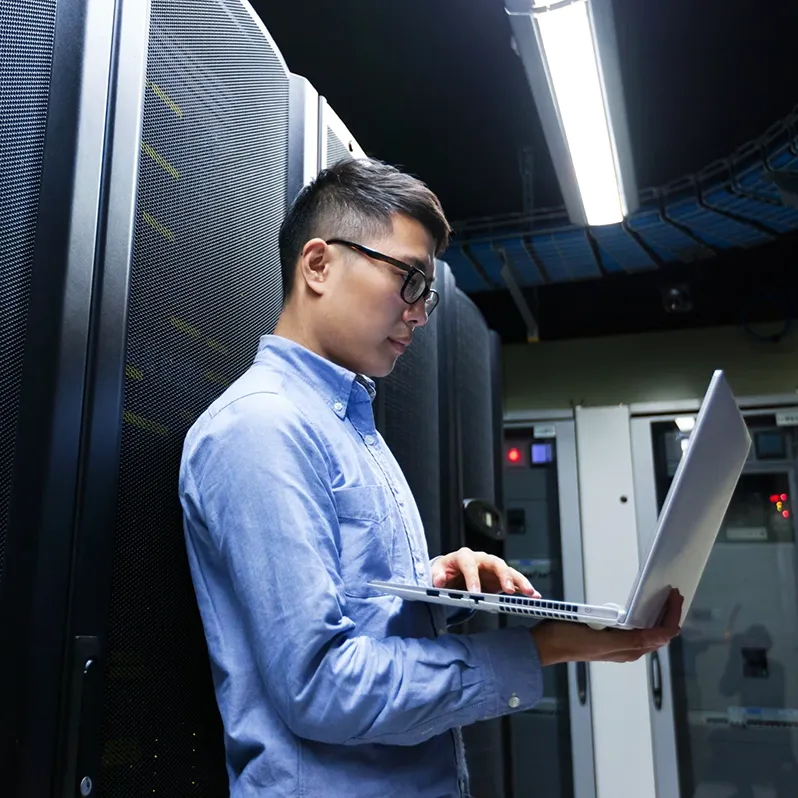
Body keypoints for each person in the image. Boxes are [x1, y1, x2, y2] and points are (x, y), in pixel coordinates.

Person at [178, 157, 682, 798]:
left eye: (428, 291)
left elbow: (352, 621)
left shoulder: (348, 424)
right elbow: (322, 686)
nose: (420, 312)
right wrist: (542, 647)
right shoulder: (261, 429)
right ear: (318, 265)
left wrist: (428, 596)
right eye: (408, 280)